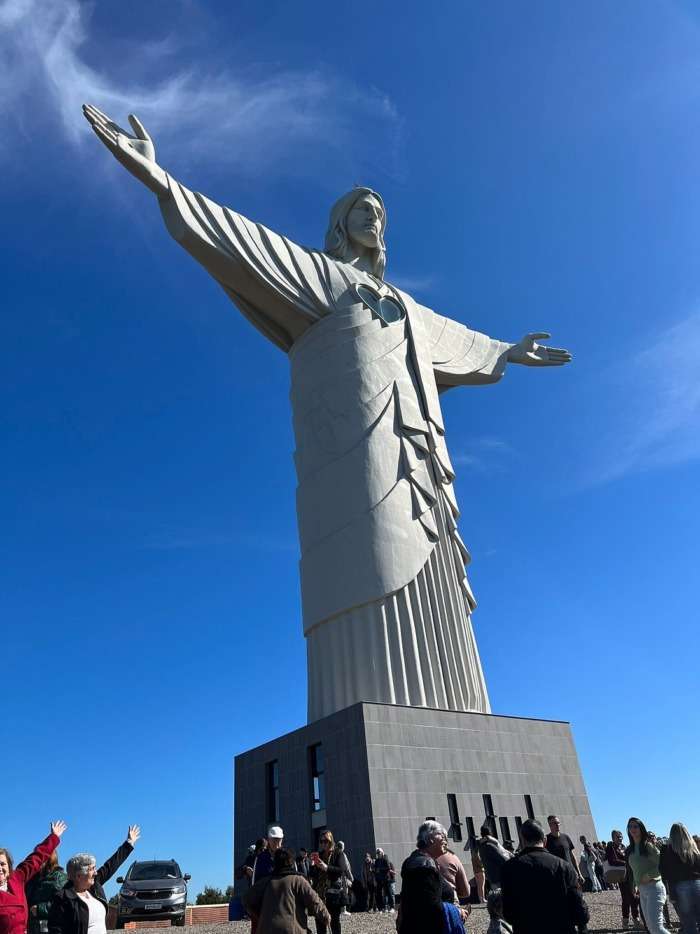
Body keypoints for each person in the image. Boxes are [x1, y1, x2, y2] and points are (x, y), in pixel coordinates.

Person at [83, 104, 571, 728]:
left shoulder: (405, 306)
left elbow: (460, 338)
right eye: (362, 211)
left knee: (432, 571)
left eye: (380, 213)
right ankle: (357, 718)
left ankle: (463, 714)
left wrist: (508, 350)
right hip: (352, 464)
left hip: (416, 466)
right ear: (341, 224)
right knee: (359, 571)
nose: (374, 219)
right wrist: (160, 179)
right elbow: (240, 240)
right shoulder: (324, 279)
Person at [500, 818, 589, 934]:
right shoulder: (564, 866)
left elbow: (508, 913)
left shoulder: (508, 869)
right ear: (545, 840)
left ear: (522, 841)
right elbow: (580, 910)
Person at [48, 826, 140, 934]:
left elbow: (111, 864)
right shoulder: (63, 898)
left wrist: (129, 843)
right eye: (92, 869)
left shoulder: (95, 886)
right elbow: (56, 930)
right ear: (79, 876)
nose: (96, 872)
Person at [398, 820, 469, 934]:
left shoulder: (417, 860)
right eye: (442, 836)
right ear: (430, 838)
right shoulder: (425, 866)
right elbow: (431, 908)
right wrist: (457, 912)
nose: (446, 840)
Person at [243, 847, 330, 934]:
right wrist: (326, 917)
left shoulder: (265, 882)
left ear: (275, 862)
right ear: (291, 862)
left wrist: (261, 915)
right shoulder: (298, 881)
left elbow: (247, 899)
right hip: (292, 930)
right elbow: (314, 901)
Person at [1, 821, 68, 934]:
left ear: (9, 866)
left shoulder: (17, 878)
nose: (0, 868)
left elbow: (36, 858)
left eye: (2, 864)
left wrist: (53, 837)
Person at [626, 816, 671, 934]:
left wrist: (650, 874)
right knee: (651, 928)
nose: (632, 829)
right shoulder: (630, 849)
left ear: (641, 828)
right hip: (642, 890)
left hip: (654, 888)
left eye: (635, 826)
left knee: (657, 927)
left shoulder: (647, 846)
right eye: (630, 826)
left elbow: (662, 863)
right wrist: (635, 884)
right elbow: (633, 870)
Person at [659, 822, 700, 934]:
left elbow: (664, 871)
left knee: (688, 923)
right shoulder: (693, 848)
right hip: (697, 883)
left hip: (679, 886)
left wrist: (671, 892)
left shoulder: (666, 849)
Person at [309, 831, 346, 934]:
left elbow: (341, 870)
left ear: (331, 841)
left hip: (333, 894)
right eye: (321, 841)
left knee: (334, 923)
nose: (323, 844)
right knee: (320, 922)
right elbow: (312, 874)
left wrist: (326, 868)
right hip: (320, 894)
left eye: (326, 841)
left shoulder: (338, 853)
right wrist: (312, 865)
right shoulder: (319, 855)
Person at [26, 851, 68, 934]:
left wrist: (41, 909)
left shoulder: (59, 877)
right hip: (32, 928)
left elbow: (65, 903)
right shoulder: (32, 879)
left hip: (51, 928)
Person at [606, 829, 640, 927]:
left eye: (621, 836)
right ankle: (627, 921)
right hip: (622, 877)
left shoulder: (623, 847)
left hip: (630, 876)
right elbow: (612, 861)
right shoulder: (610, 847)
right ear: (613, 838)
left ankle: (634, 919)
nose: (620, 838)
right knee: (627, 899)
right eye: (618, 836)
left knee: (633, 897)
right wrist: (626, 863)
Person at [545, 816, 585, 886]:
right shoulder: (546, 840)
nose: (557, 825)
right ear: (549, 825)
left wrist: (579, 873)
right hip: (556, 876)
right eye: (554, 823)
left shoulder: (566, 837)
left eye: (558, 823)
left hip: (570, 873)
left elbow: (572, 856)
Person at [476, 824, 512, 891]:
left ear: (481, 834)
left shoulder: (481, 847)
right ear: (490, 833)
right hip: (499, 877)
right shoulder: (490, 846)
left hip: (491, 877)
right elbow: (503, 859)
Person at [373, 849, 395, 913]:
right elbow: (375, 868)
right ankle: (381, 908)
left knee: (389, 893)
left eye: (379, 853)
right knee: (379, 894)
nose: (378, 854)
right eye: (377, 853)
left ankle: (392, 907)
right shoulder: (377, 860)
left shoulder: (385, 859)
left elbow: (388, 868)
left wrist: (380, 869)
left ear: (382, 853)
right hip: (379, 879)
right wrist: (374, 870)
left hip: (386, 879)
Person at [334, 842, 353, 914]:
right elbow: (346, 867)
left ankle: (338, 910)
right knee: (344, 892)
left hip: (335, 876)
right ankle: (343, 910)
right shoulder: (342, 854)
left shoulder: (333, 854)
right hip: (342, 876)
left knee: (337, 892)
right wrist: (351, 877)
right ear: (342, 847)